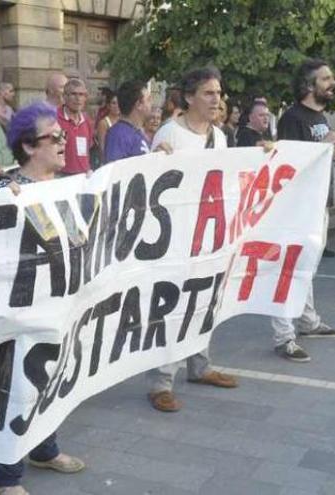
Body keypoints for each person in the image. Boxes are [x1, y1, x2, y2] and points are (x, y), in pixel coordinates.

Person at [0, 101, 86, 495]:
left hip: (59, 305)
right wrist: (1, 203)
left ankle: (45, 449)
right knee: (17, 390)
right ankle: (6, 478)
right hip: (18, 311)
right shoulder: (5, 191)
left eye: (64, 135)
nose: (64, 141)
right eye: (56, 136)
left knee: (51, 380)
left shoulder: (70, 187)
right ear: (29, 147)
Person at [146, 67, 238, 412]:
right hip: (175, 238)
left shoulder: (220, 136)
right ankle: (160, 382)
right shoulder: (170, 133)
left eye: (219, 93)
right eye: (209, 93)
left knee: (204, 301)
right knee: (173, 306)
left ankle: (200, 367)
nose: (217, 100)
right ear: (189, 97)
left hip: (208, 235)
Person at [269, 58, 335, 362]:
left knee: (308, 268)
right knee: (289, 270)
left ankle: (308, 321)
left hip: (318, 205)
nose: (332, 83)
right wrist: (325, 145)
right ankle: (283, 336)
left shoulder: (321, 116)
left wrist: (331, 147)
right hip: (298, 208)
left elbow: (328, 152)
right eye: (325, 79)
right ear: (309, 85)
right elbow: (289, 165)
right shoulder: (292, 118)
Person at [103, 80, 152, 164]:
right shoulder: (118, 135)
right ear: (138, 105)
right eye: (148, 100)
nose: (151, 104)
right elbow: (115, 172)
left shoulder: (137, 132)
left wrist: (157, 154)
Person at [56, 78, 93, 176]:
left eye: (81, 95)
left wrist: (88, 169)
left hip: (83, 176)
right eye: (73, 94)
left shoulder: (87, 120)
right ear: (64, 96)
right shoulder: (54, 119)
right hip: (61, 176)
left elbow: (88, 149)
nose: (78, 99)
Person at [95, 90, 120, 160]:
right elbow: (102, 146)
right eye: (114, 103)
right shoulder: (103, 123)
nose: (117, 106)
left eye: (119, 103)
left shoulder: (123, 121)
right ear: (108, 106)